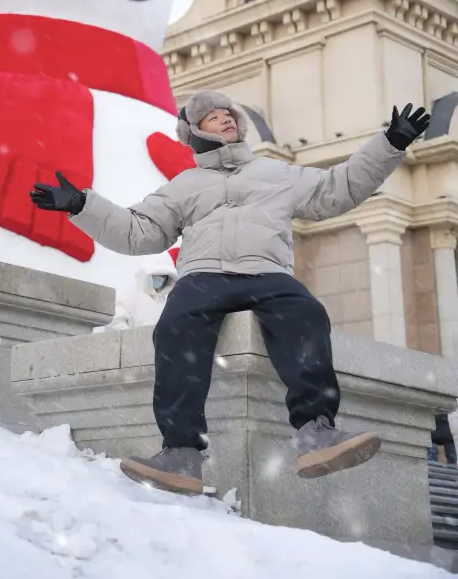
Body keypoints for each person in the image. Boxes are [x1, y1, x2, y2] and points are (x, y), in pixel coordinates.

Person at [31, 90, 430, 496]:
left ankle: (317, 433)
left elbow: (336, 188)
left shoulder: (276, 174)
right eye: (213, 117)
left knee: (305, 313)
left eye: (229, 114)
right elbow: (139, 232)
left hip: (267, 273)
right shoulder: (184, 186)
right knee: (176, 328)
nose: (226, 120)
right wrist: (83, 205)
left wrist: (390, 144)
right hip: (204, 276)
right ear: (193, 132)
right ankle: (182, 453)